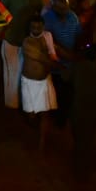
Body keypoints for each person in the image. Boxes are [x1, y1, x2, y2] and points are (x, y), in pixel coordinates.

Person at [20, 15, 59, 148]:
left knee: (44, 114)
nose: (36, 29)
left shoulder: (47, 37)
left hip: (44, 81)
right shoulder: (27, 42)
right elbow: (43, 58)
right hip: (29, 82)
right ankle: (34, 136)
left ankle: (42, 142)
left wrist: (55, 59)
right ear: (29, 28)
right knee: (31, 114)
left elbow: (53, 54)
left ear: (43, 26)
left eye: (39, 27)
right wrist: (60, 66)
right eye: (33, 27)